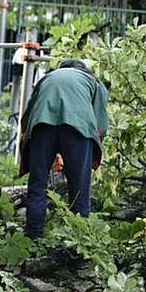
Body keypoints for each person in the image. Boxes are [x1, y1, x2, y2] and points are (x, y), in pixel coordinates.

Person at [18, 59, 109, 239]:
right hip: (78, 129)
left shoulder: (47, 78)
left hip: (41, 126)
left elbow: (28, 116)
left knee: (37, 185)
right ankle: (78, 240)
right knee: (80, 188)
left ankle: (33, 238)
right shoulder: (94, 83)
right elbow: (100, 125)